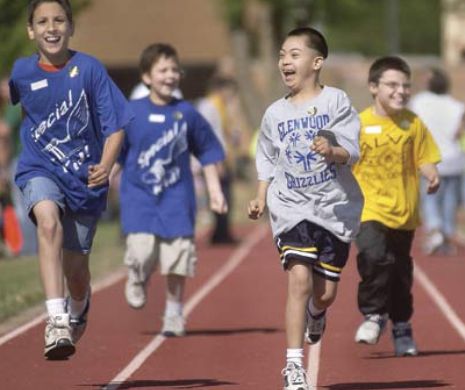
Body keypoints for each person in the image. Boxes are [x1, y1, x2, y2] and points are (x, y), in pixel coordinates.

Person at [8, 0, 132, 359]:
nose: (51, 27)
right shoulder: (21, 72)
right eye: (42, 21)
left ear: (71, 26)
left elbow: (116, 127)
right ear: (31, 30)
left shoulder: (90, 69)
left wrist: (107, 164)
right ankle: (56, 318)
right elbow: (12, 96)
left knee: (76, 270)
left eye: (59, 20)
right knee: (47, 224)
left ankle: (79, 302)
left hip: (85, 180)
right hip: (39, 169)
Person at [248, 27, 363, 390]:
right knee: (298, 279)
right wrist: (260, 195)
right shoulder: (274, 114)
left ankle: (317, 314)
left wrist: (333, 152)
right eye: (282, 54)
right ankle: (293, 366)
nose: (285, 60)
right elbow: (267, 158)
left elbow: (353, 150)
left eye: (294, 54)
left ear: (316, 62)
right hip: (291, 209)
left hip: (333, 208)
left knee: (324, 294)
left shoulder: (336, 102)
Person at [116, 43, 227, 337]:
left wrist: (215, 191)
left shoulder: (187, 113)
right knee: (140, 253)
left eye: (174, 70)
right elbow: (115, 154)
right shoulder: (131, 113)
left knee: (178, 258)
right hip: (139, 197)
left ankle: (174, 312)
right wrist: (101, 182)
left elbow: (208, 152)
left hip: (177, 198)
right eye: (162, 70)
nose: (170, 75)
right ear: (147, 77)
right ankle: (137, 278)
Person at [352, 56, 440, 357]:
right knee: (375, 258)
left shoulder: (413, 123)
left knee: (401, 275)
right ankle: (374, 315)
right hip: (368, 210)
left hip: (404, 214)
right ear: (373, 87)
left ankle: (402, 327)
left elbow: (425, 157)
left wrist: (431, 173)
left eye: (405, 85)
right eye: (392, 85)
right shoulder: (359, 124)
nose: (400, 91)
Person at [409, 68, 465, 255]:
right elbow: (458, 132)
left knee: (430, 196)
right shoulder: (456, 105)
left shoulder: (419, 101)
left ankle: (434, 227)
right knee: (450, 198)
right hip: (454, 157)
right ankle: (447, 234)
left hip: (430, 157)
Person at [197, 76, 239, 244]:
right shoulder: (210, 106)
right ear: (220, 89)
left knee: (227, 196)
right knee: (220, 195)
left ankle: (222, 231)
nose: (231, 96)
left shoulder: (221, 106)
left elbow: (223, 131)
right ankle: (220, 233)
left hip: (223, 156)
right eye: (229, 91)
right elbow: (209, 134)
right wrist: (216, 160)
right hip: (215, 158)